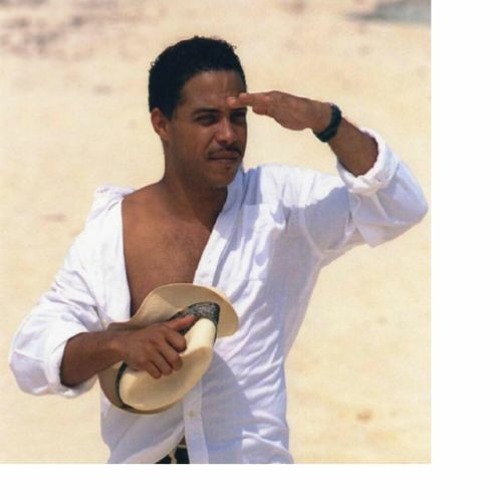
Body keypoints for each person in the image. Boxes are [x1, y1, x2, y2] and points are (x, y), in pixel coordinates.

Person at [9, 36, 428, 464]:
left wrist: (327, 121)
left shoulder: (279, 205)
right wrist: (116, 345)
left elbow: (400, 205)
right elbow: (30, 355)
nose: (228, 135)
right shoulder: (112, 231)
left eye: (237, 117)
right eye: (207, 119)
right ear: (162, 124)